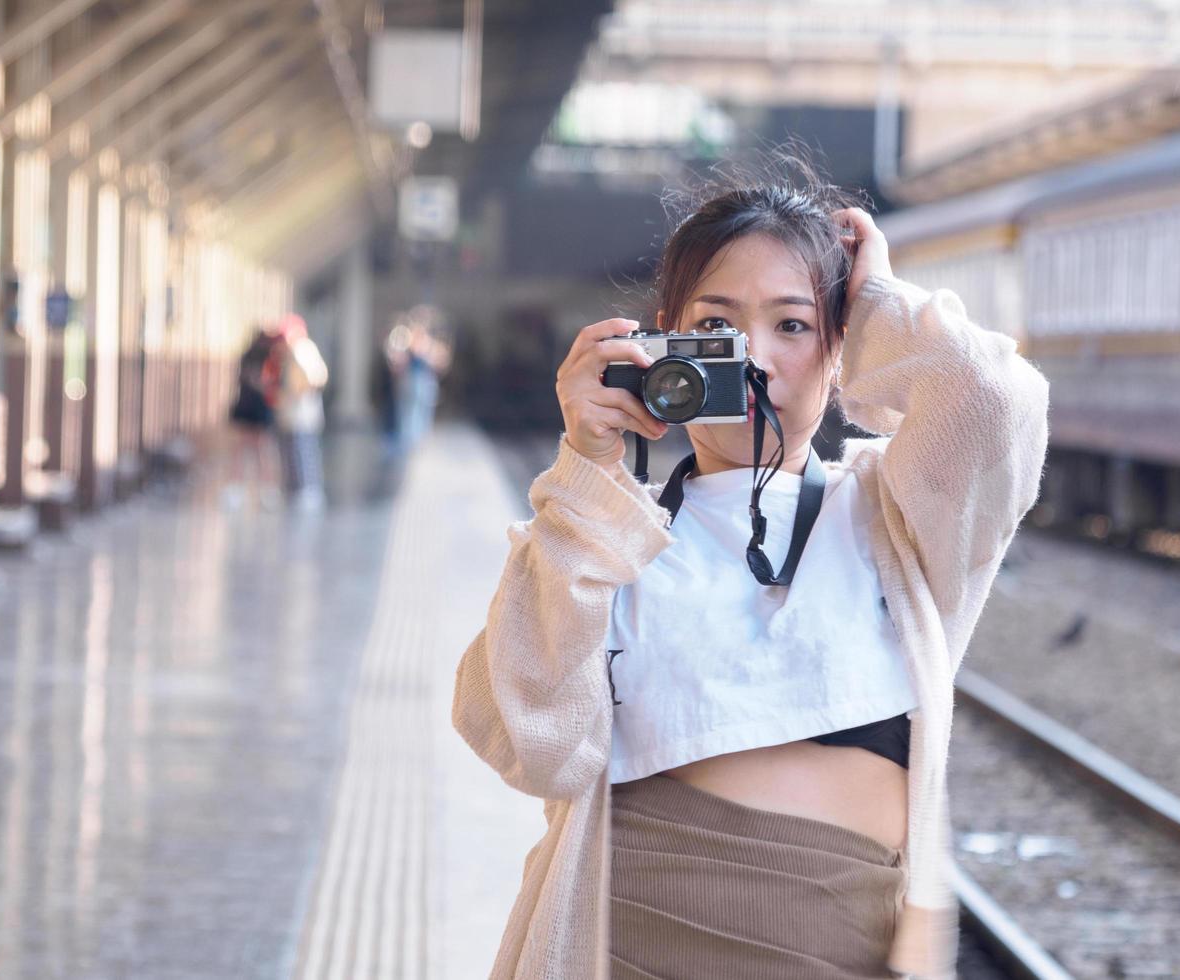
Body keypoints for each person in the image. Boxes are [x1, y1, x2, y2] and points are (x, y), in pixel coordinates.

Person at [452, 156, 1050, 980]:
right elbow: (527, 747)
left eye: (793, 326)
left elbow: (992, 402)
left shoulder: (899, 518)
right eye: (719, 327)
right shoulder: (603, 534)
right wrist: (585, 475)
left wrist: (875, 302)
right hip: (624, 947)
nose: (755, 360)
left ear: (839, 347)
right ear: (665, 338)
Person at [222, 324, 282, 510]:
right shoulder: (261, 357)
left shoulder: (261, 356)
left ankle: (258, 490)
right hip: (254, 406)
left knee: (252, 449)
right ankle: (254, 490)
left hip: (251, 406)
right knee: (255, 449)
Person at [274, 313, 329, 512]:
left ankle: (308, 489)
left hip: (301, 414)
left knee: (303, 452)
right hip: (291, 414)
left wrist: (298, 392)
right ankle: (296, 489)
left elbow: (316, 377)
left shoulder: (302, 349)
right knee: (293, 452)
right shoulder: (289, 352)